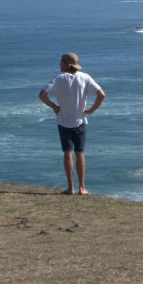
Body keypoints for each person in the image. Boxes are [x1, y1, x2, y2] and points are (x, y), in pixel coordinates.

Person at [38, 52, 105, 195]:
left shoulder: (59, 79)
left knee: (68, 153)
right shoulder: (85, 77)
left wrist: (54, 106)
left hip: (64, 121)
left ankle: (70, 188)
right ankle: (82, 187)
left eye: (61, 62)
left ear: (65, 64)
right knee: (80, 153)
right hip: (80, 120)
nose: (59, 65)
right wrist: (91, 110)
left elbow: (42, 94)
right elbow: (101, 94)